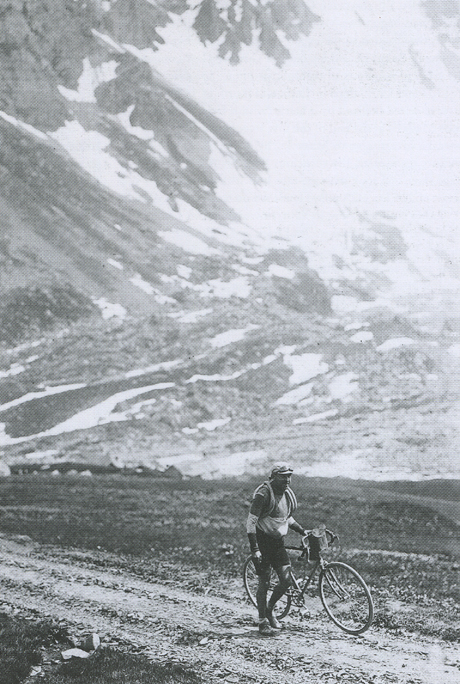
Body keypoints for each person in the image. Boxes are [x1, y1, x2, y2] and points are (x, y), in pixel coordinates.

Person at [246, 462, 307, 636]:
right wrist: (255, 548)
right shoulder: (263, 495)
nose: (287, 479)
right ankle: (262, 621)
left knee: (286, 580)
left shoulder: (286, 494)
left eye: (289, 476)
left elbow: (286, 518)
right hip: (263, 541)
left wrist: (303, 531)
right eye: (283, 476)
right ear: (273, 477)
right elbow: (250, 523)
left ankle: (269, 610)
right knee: (264, 582)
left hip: (277, 542)